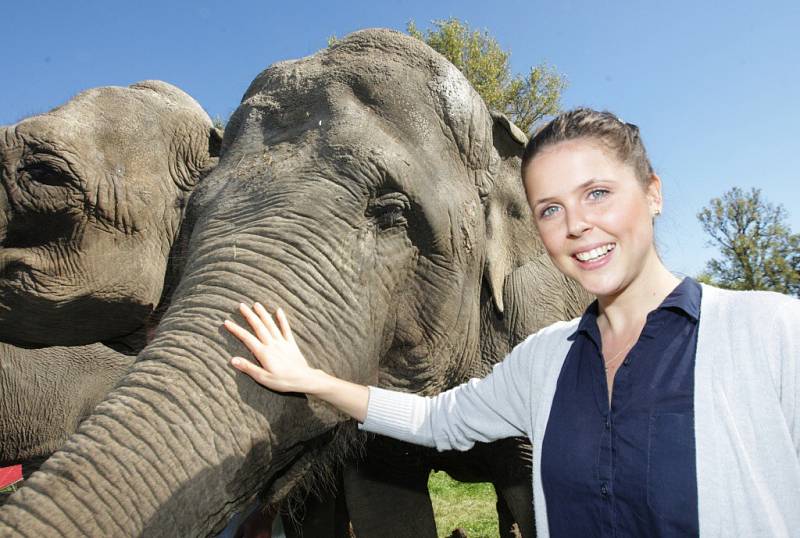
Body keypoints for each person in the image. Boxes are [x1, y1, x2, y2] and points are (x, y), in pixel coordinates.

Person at [223, 108, 800, 537]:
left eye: (597, 193)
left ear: (653, 194)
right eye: (551, 209)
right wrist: (312, 380)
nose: (577, 226)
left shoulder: (771, 333)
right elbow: (436, 420)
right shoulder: (544, 360)